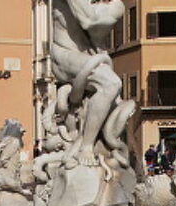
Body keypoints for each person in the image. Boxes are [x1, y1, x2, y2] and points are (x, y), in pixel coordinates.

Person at [51, 0, 124, 166]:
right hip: (64, 54)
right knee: (111, 83)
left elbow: (95, 30)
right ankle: (86, 146)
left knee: (112, 89)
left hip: (92, 60)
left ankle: (93, 140)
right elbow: (87, 20)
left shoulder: (117, 5)